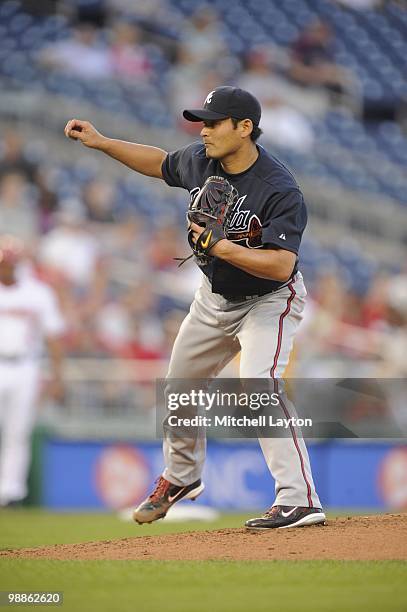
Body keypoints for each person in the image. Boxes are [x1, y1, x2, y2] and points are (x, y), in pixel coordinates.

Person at [64, 85, 325, 529]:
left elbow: (281, 265)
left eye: (213, 122)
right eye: (202, 121)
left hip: (268, 300)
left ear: (245, 128)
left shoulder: (279, 188)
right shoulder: (201, 160)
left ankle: (300, 498)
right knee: (178, 387)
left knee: (259, 386)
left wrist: (224, 249)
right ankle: (182, 477)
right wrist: (103, 141)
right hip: (213, 298)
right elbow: (160, 163)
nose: (203, 130)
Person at [0, 235, 66, 507]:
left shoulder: (37, 292)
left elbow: (53, 337)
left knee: (18, 432)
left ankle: (10, 493)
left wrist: (57, 375)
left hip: (26, 365)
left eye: (10, 263)